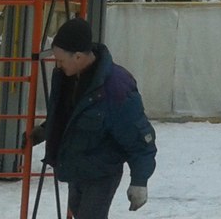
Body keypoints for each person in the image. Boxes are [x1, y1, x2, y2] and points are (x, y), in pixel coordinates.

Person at [30, 17, 156, 217]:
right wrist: (46, 130)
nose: (58, 65)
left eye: (61, 60)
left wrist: (140, 181)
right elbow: (70, 115)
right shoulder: (68, 77)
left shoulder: (116, 88)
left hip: (102, 174)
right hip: (77, 168)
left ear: (78, 57)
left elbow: (140, 138)